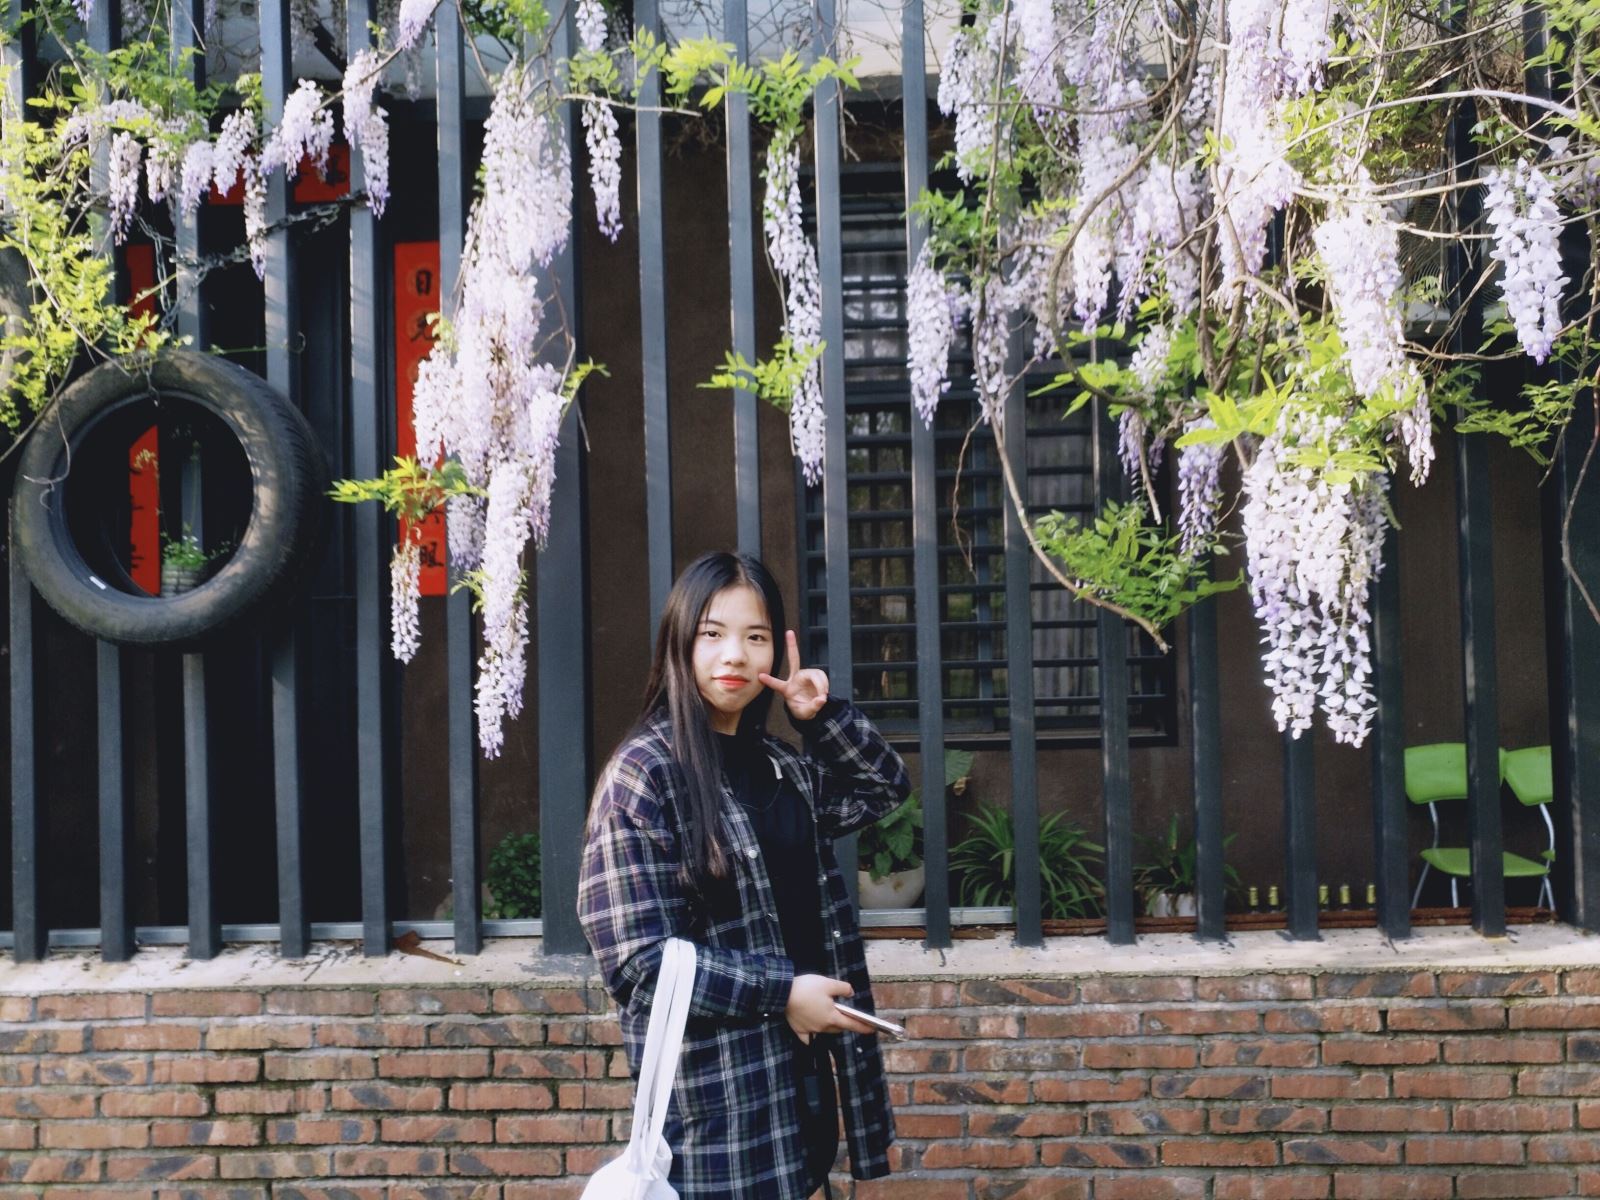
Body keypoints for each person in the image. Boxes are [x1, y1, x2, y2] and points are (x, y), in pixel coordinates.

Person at [578, 551, 911, 1199]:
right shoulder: (644, 775)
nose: (734, 654)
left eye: (755, 637)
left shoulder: (780, 765)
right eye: (713, 633)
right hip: (717, 1114)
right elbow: (638, 962)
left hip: (801, 1091)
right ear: (679, 642)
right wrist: (782, 992)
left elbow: (881, 789)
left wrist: (822, 718)